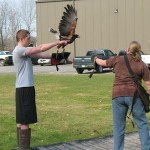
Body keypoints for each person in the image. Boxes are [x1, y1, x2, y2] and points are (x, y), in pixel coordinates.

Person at [13, 29, 68, 150]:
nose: (30, 40)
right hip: (24, 88)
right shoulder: (20, 50)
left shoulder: (25, 52)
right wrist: (57, 42)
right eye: (28, 38)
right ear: (21, 39)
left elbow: (42, 54)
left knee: (22, 118)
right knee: (25, 120)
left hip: (24, 88)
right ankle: (24, 148)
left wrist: (57, 56)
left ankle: (22, 147)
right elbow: (41, 48)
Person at [92, 41, 150, 150]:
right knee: (142, 125)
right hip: (135, 97)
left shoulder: (118, 59)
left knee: (118, 127)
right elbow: (148, 84)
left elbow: (104, 63)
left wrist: (95, 59)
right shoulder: (141, 64)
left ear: (128, 49)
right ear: (138, 51)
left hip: (117, 96)